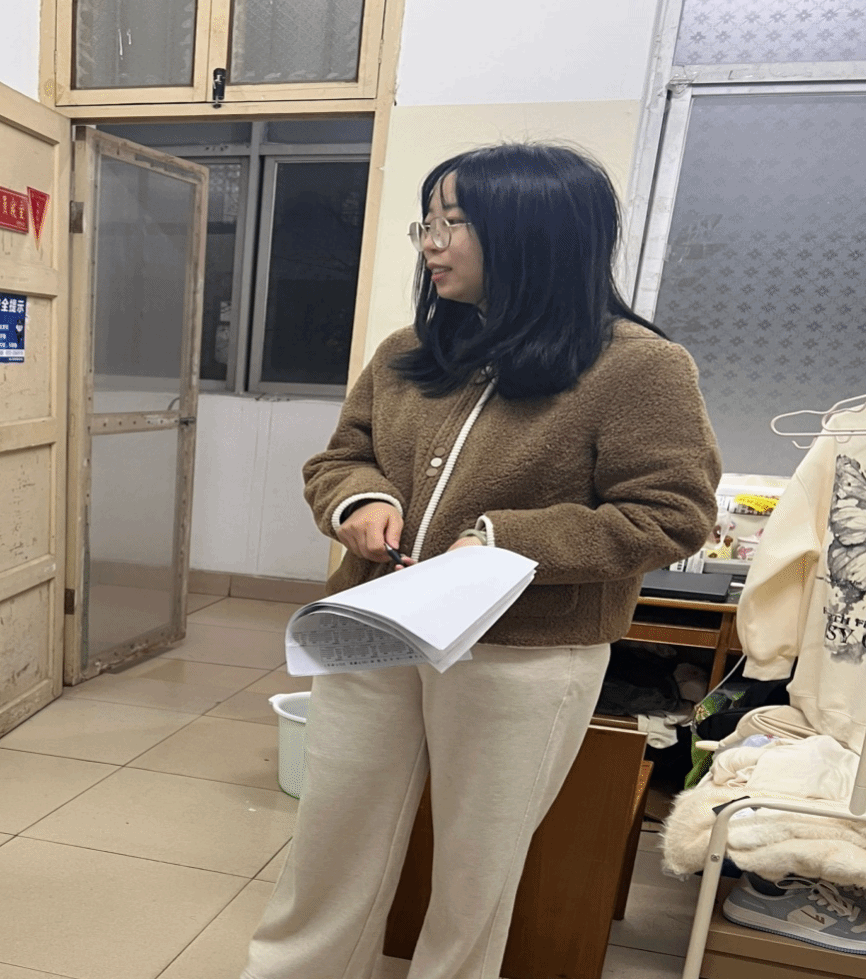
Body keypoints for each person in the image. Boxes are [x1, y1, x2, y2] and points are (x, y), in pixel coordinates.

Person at [241, 143, 722, 979]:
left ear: (534, 234)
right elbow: (340, 458)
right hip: (377, 627)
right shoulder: (408, 351)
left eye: (454, 223)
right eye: (426, 222)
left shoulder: (638, 367)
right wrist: (359, 502)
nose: (431, 242)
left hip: (524, 651)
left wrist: (507, 538)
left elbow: (672, 514)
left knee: (477, 868)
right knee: (330, 839)